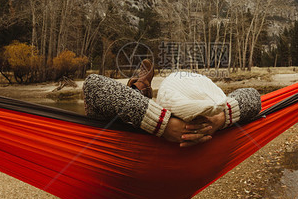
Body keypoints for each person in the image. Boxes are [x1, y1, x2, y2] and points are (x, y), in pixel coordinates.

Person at [83, 59, 261, 147]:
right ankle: (141, 89)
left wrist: (162, 124)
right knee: (126, 101)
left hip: (133, 139)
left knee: (125, 102)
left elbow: (92, 85)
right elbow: (253, 97)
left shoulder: (142, 131)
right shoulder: (214, 124)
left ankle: (140, 89)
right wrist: (220, 119)